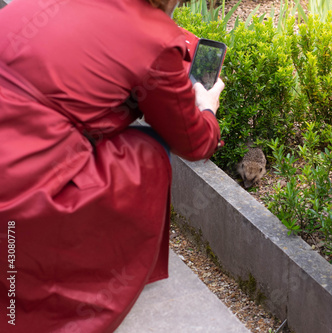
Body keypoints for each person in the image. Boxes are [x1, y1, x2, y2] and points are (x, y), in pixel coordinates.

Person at [0, 0, 225, 332]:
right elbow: (195, 143)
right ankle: (91, 276)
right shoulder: (155, 40)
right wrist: (207, 108)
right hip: (20, 192)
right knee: (149, 151)